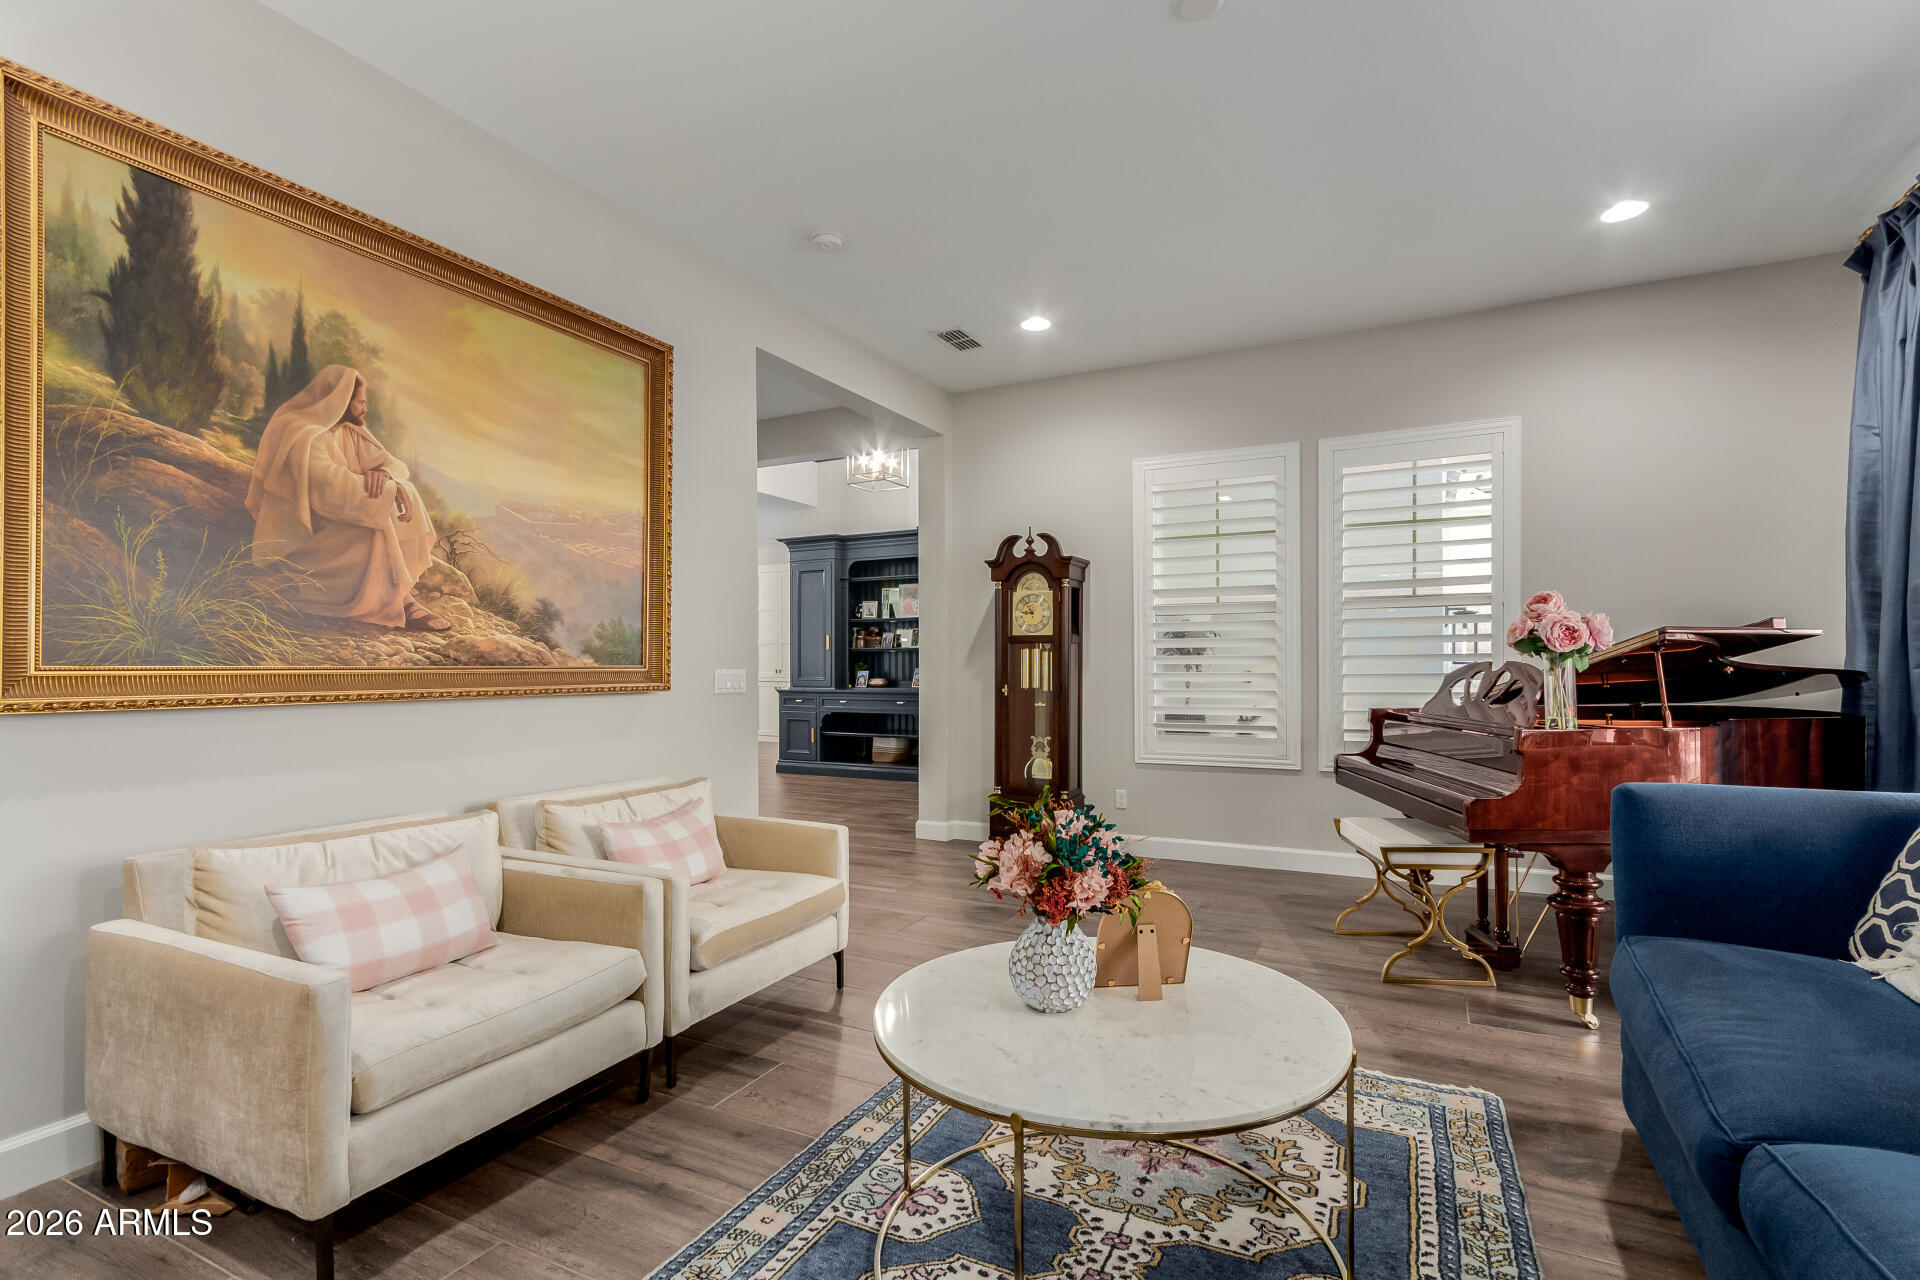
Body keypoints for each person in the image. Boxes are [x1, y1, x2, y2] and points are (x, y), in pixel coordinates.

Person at [244, 364, 449, 631]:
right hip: (308, 537)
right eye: (360, 402)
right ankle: (404, 601)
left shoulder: (348, 431)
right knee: (377, 524)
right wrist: (387, 489)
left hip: (340, 520)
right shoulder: (305, 436)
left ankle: (400, 597)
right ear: (340, 401)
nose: (365, 409)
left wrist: (387, 475)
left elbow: (397, 465)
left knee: (404, 489)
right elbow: (331, 489)